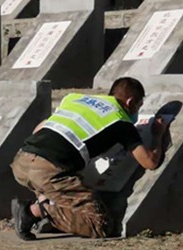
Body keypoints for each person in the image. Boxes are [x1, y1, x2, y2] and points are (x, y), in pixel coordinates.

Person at [11, 76, 168, 240]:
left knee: (53, 186)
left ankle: (46, 202)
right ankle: (33, 212)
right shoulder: (120, 121)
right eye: (138, 106)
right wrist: (158, 134)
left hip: (22, 161)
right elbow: (150, 162)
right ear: (130, 102)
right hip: (49, 171)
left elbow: (38, 129)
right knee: (101, 224)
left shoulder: (76, 99)